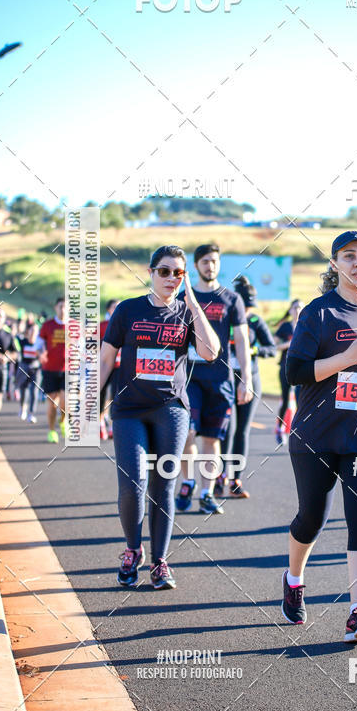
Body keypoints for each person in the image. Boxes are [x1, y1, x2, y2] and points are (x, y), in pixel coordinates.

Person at [280, 230, 357, 643]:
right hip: (316, 432)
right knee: (312, 518)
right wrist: (346, 359)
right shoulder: (318, 313)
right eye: (349, 256)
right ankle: (294, 578)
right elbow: (293, 373)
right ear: (335, 265)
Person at [100, 245, 220, 590]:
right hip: (129, 411)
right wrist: (91, 406)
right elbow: (107, 359)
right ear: (150, 272)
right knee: (132, 484)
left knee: (164, 486)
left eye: (178, 273)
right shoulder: (128, 310)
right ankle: (133, 550)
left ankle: (160, 562)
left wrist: (193, 302)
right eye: (164, 271)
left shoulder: (186, 311)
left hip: (171, 409)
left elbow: (211, 353)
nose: (170, 278)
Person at [175, 244, 253, 515]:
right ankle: (187, 482)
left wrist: (246, 378)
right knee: (188, 432)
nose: (211, 266)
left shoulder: (232, 299)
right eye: (206, 261)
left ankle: (207, 493)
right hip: (190, 376)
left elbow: (242, 341)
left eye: (215, 261)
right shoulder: (185, 296)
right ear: (196, 265)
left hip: (221, 378)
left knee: (212, 438)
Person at [217, 276, 276, 498]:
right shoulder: (224, 319)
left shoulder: (255, 322)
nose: (249, 310)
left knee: (241, 431)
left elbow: (271, 348)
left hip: (249, 379)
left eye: (252, 306)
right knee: (226, 430)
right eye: (246, 306)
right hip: (224, 380)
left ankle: (235, 479)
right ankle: (219, 476)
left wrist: (254, 351)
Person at [37, 298, 67, 443]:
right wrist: (41, 353)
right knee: (52, 403)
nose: (63, 309)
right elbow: (39, 344)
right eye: (60, 306)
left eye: (66, 307)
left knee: (65, 402)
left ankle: (63, 421)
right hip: (50, 369)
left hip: (68, 369)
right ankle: (51, 431)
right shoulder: (47, 325)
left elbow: (81, 346)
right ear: (56, 307)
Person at [273, 299, 303, 445]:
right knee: (285, 400)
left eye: (300, 308)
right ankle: (279, 429)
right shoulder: (285, 327)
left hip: (302, 369)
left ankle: (298, 432)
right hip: (285, 368)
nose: (297, 310)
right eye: (295, 307)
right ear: (290, 310)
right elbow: (274, 346)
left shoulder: (306, 325)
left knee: (301, 401)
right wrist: (289, 344)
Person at [0, 308, 20, 432]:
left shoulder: (8, 335)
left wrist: (7, 357)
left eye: (0, 316)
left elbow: (16, 353)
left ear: (4, 319)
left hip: (0, 370)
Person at [100, 299, 119, 440]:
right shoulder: (101, 326)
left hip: (119, 366)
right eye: (114, 307)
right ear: (108, 309)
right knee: (100, 395)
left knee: (115, 397)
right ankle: (100, 425)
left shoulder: (125, 323)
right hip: (103, 365)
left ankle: (112, 426)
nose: (117, 308)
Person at [17, 321, 42, 423]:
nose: (33, 332)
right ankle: (23, 408)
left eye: (35, 330)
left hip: (35, 369)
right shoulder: (22, 341)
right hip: (24, 368)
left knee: (34, 391)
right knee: (24, 390)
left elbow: (43, 356)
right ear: (28, 331)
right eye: (32, 330)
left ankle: (31, 413)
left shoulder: (40, 344)